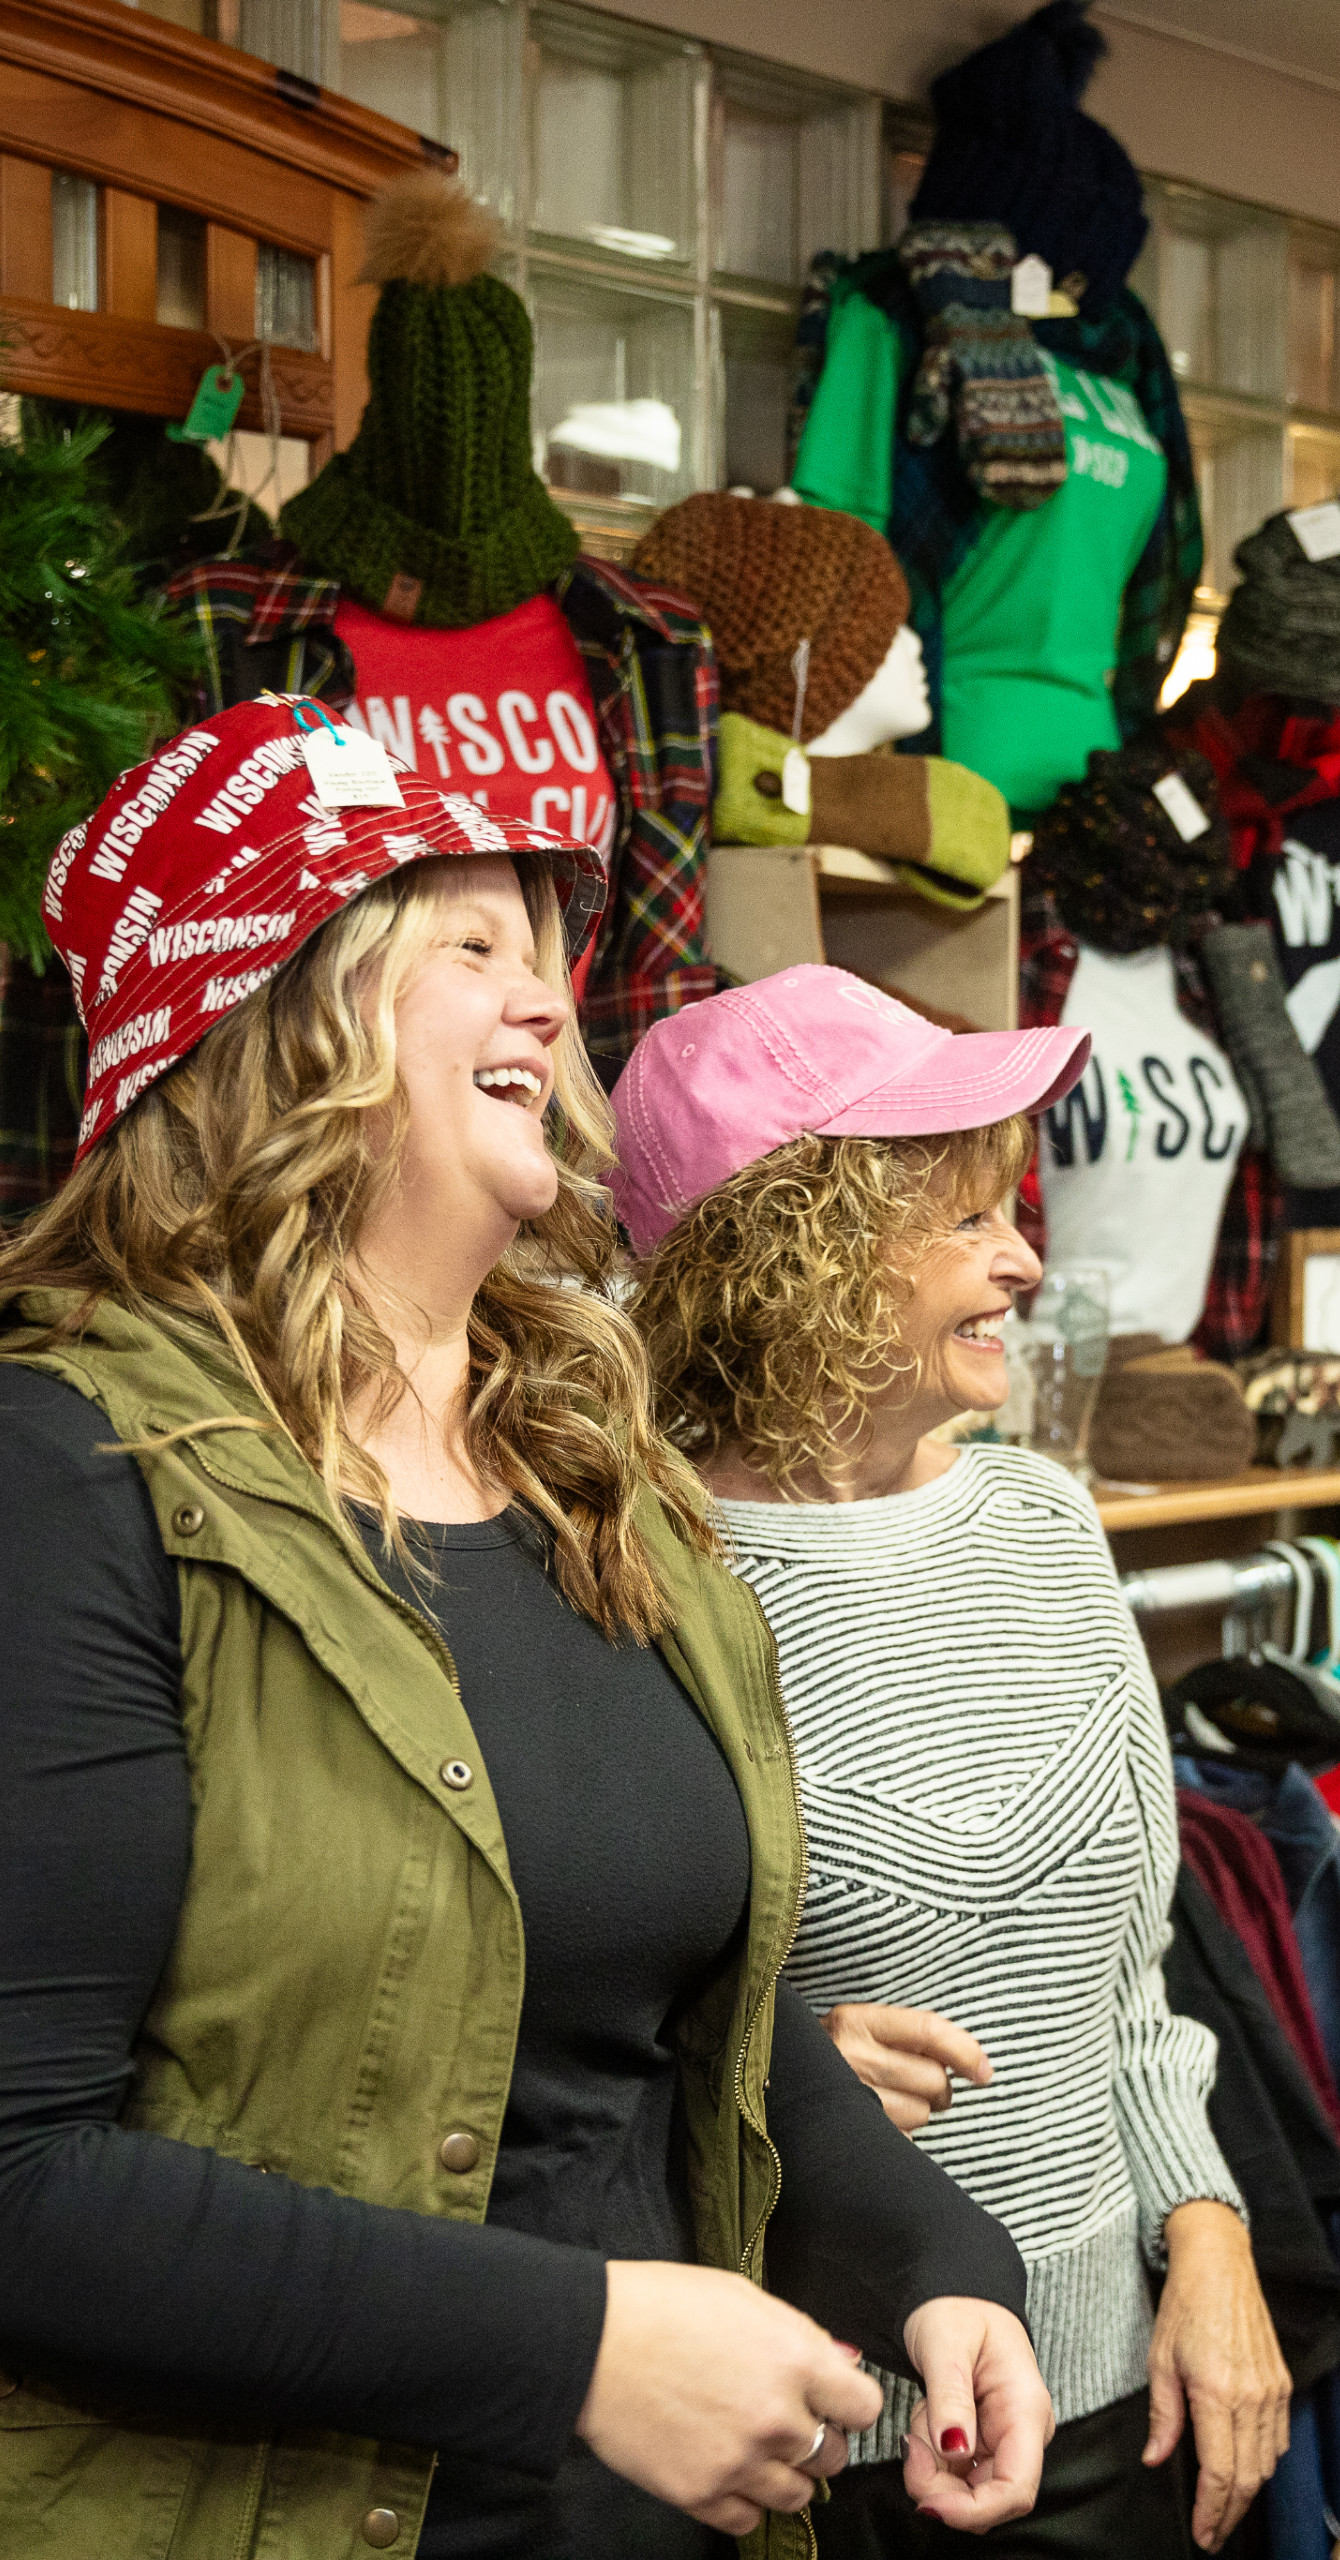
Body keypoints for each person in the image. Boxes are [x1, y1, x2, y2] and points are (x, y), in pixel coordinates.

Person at [0, 701, 1050, 2560]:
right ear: (265, 1015)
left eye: (544, 945)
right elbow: (25, 2180)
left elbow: (672, 2021)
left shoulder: (588, 1462)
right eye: (465, 945)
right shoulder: (70, 1473)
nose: (554, 1000)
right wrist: (577, 2345)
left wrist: (929, 2262)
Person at [612, 965, 1294, 2558]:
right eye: (960, 1220)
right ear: (793, 1254)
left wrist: (1208, 2236)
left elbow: (1134, 1981)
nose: (1023, 1260)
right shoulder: (643, 1577)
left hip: (1120, 2396)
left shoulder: (1045, 1525)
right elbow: (563, 2028)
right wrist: (759, 2080)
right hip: (821, 2436)